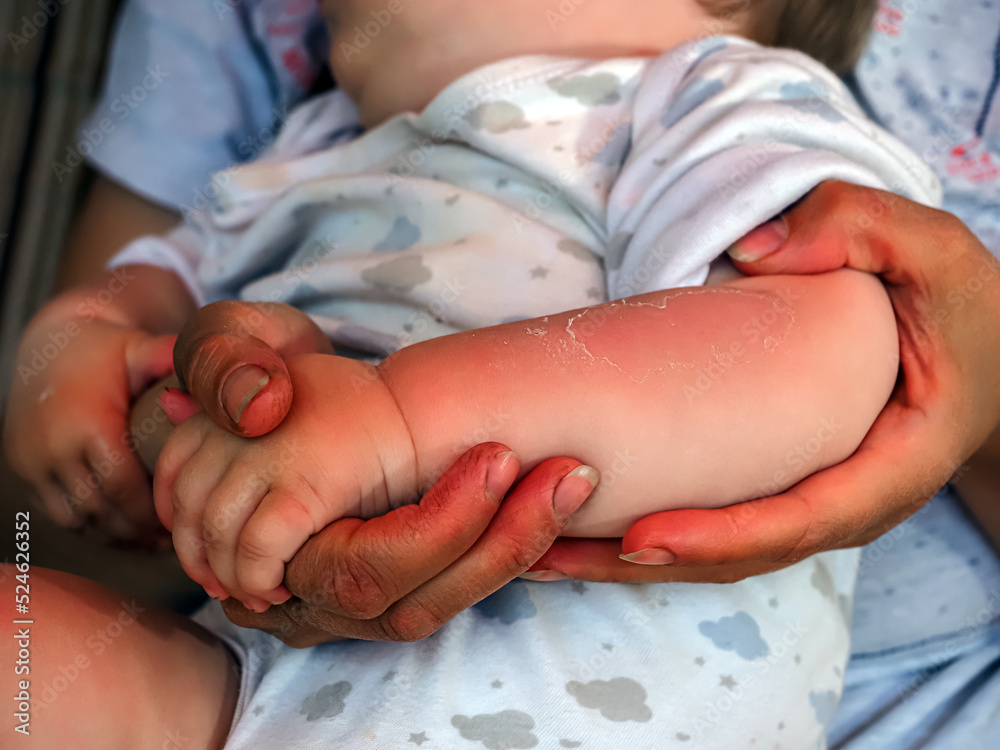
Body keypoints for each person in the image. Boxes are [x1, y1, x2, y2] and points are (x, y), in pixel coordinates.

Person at [5, 1, 1000, 749]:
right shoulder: (299, 156)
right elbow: (124, 302)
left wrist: (397, 430)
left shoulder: (705, 101)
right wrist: (78, 366)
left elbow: (828, 348)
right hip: (258, 685)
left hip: (576, 708)